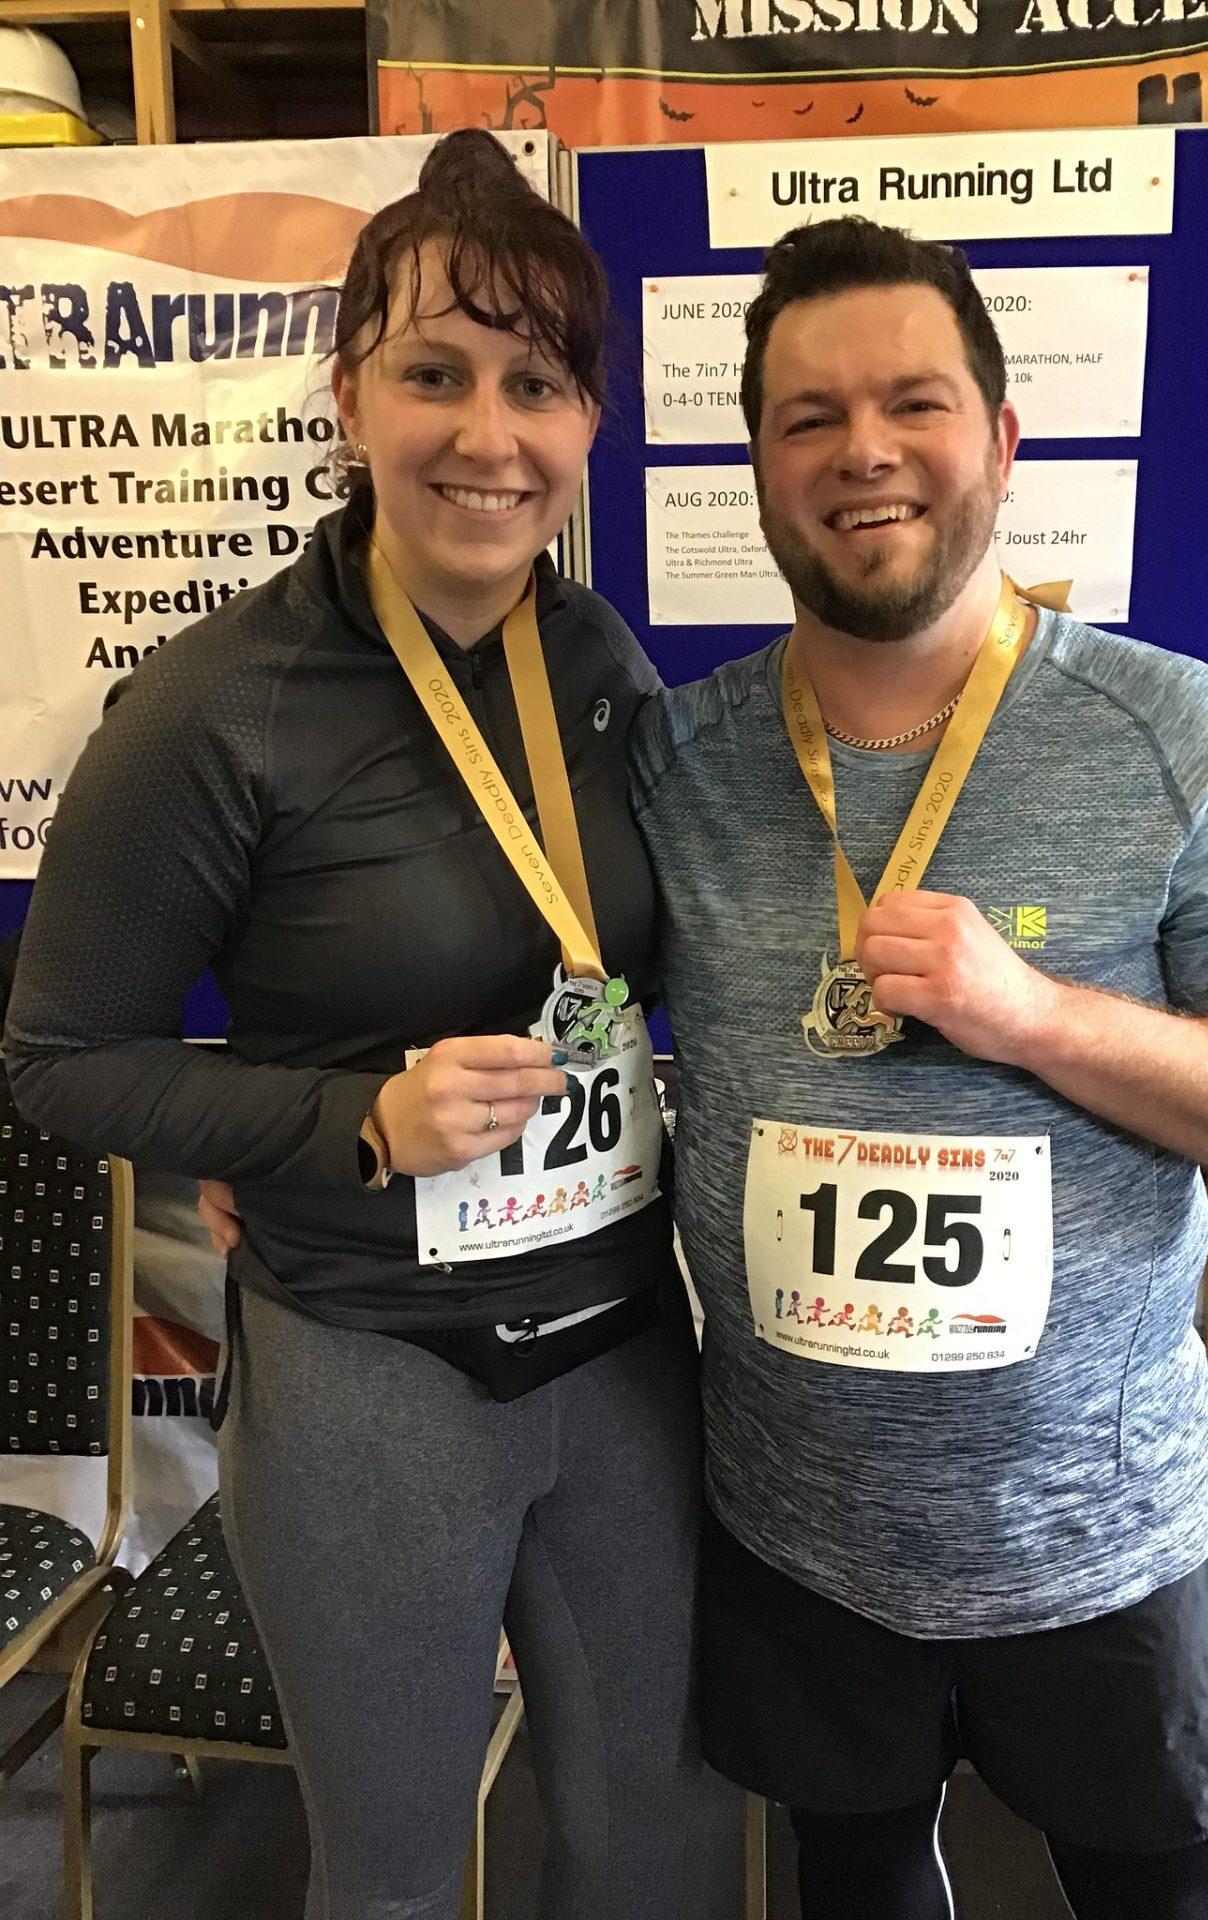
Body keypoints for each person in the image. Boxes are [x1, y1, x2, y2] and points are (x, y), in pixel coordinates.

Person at [627, 218, 1208, 1920]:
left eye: (914, 401)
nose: (864, 452)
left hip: (1101, 1540)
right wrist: (316, 1140)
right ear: (758, 461)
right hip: (794, 1537)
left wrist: (1033, 1014)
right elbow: (528, 987)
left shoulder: (1169, 729)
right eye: (808, 416)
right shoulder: (677, 758)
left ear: (1001, 439)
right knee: (859, 1885)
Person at [5, 131, 701, 1920]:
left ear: (588, 420)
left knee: (642, 1853)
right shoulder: (213, 708)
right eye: (434, 373)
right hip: (375, 1368)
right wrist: (346, 1128)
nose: (489, 433)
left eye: (536, 383)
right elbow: (59, 1060)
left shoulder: (602, 663)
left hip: (621, 1349)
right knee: (390, 1877)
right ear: (348, 395)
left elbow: (637, 980)